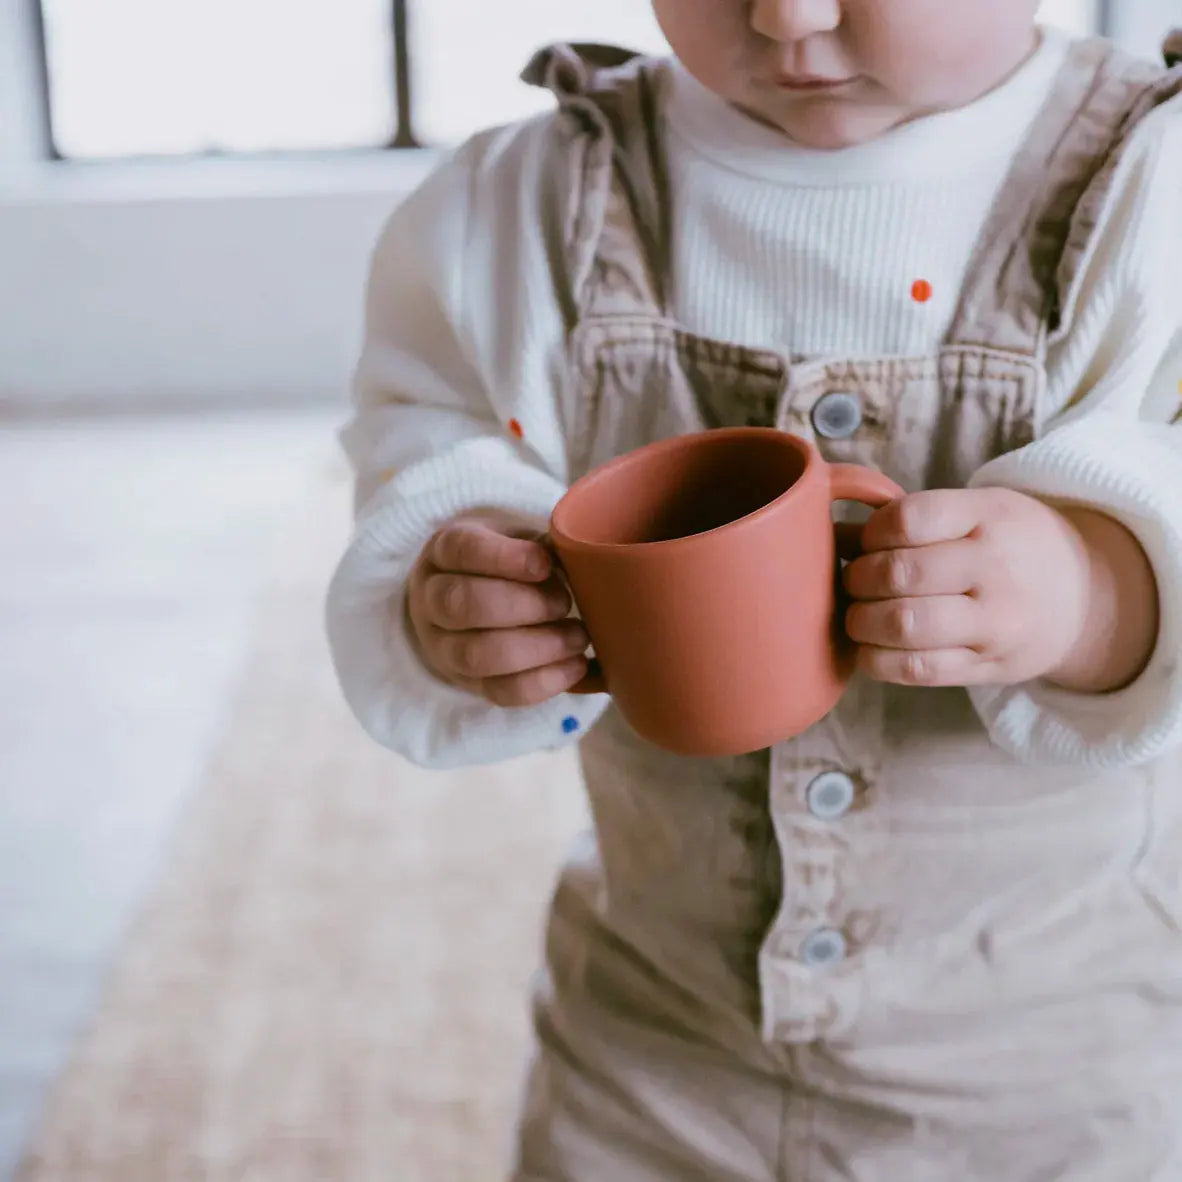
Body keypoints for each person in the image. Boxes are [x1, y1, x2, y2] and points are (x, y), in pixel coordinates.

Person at [327, 3, 1182, 1177]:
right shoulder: (537, 203)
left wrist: (1094, 593)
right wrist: (457, 580)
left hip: (1048, 1062)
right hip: (650, 1040)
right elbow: (425, 427)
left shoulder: (1152, 190)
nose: (786, 16)